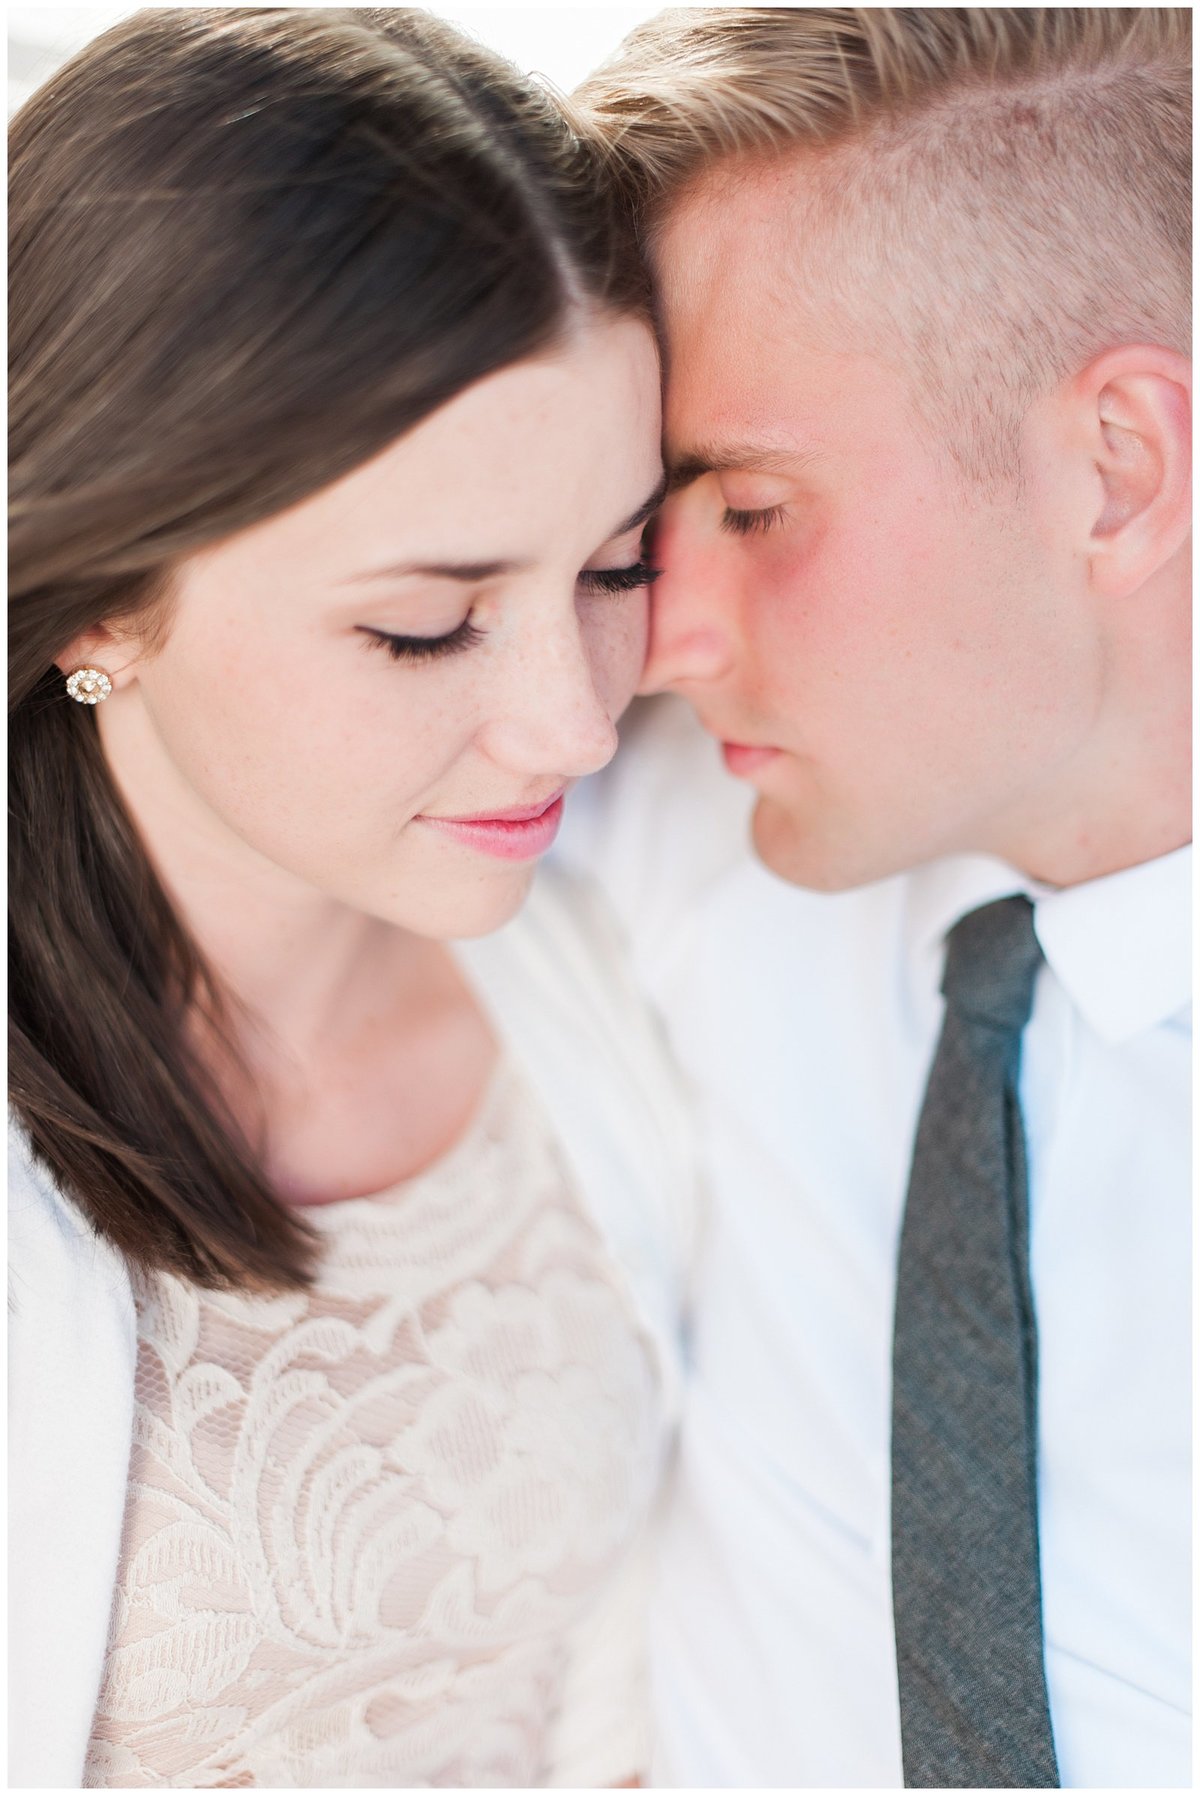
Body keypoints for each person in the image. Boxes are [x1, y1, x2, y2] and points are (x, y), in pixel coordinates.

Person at [9, 9, 694, 1787]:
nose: (576, 717)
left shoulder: (614, 969)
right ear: (96, 596)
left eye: (619, 562)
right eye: (422, 622)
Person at [566, 6, 1191, 1788]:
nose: (662, 644)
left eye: (754, 509)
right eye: (649, 528)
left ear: (1116, 467)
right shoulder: (638, 824)